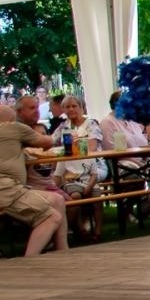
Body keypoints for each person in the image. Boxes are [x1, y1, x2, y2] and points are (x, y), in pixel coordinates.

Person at [0, 105, 68, 257]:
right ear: (11, 120)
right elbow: (47, 142)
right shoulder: (13, 128)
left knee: (57, 200)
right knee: (51, 217)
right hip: (4, 189)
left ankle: (63, 251)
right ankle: (30, 260)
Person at [53, 95, 107, 242]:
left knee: (81, 184)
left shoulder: (91, 124)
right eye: (67, 107)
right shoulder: (63, 127)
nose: (71, 109)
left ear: (81, 107)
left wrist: (69, 146)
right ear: (63, 109)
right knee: (72, 189)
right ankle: (78, 228)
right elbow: (50, 144)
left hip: (94, 165)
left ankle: (96, 231)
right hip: (70, 167)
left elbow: (92, 147)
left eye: (74, 106)